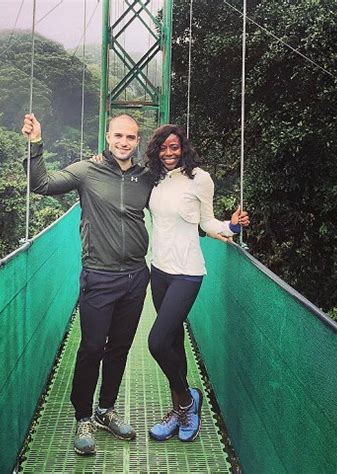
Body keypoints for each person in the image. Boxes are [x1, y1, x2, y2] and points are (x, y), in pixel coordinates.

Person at [21, 113, 155, 455]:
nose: (123, 142)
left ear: (138, 141)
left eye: (131, 137)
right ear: (107, 137)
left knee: (119, 349)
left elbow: (175, 208)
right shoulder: (87, 170)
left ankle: (105, 411)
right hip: (99, 275)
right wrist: (36, 144)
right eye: (118, 136)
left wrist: (221, 227)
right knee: (92, 348)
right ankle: (83, 416)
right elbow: (42, 185)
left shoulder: (146, 177)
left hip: (137, 277)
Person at [144, 124, 249, 442]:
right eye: (163, 147)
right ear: (156, 151)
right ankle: (179, 409)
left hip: (187, 272)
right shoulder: (156, 178)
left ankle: (187, 403)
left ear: (183, 148)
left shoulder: (200, 178)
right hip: (159, 270)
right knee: (173, 343)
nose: (169, 153)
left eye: (174, 147)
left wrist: (231, 226)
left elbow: (206, 221)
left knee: (157, 342)